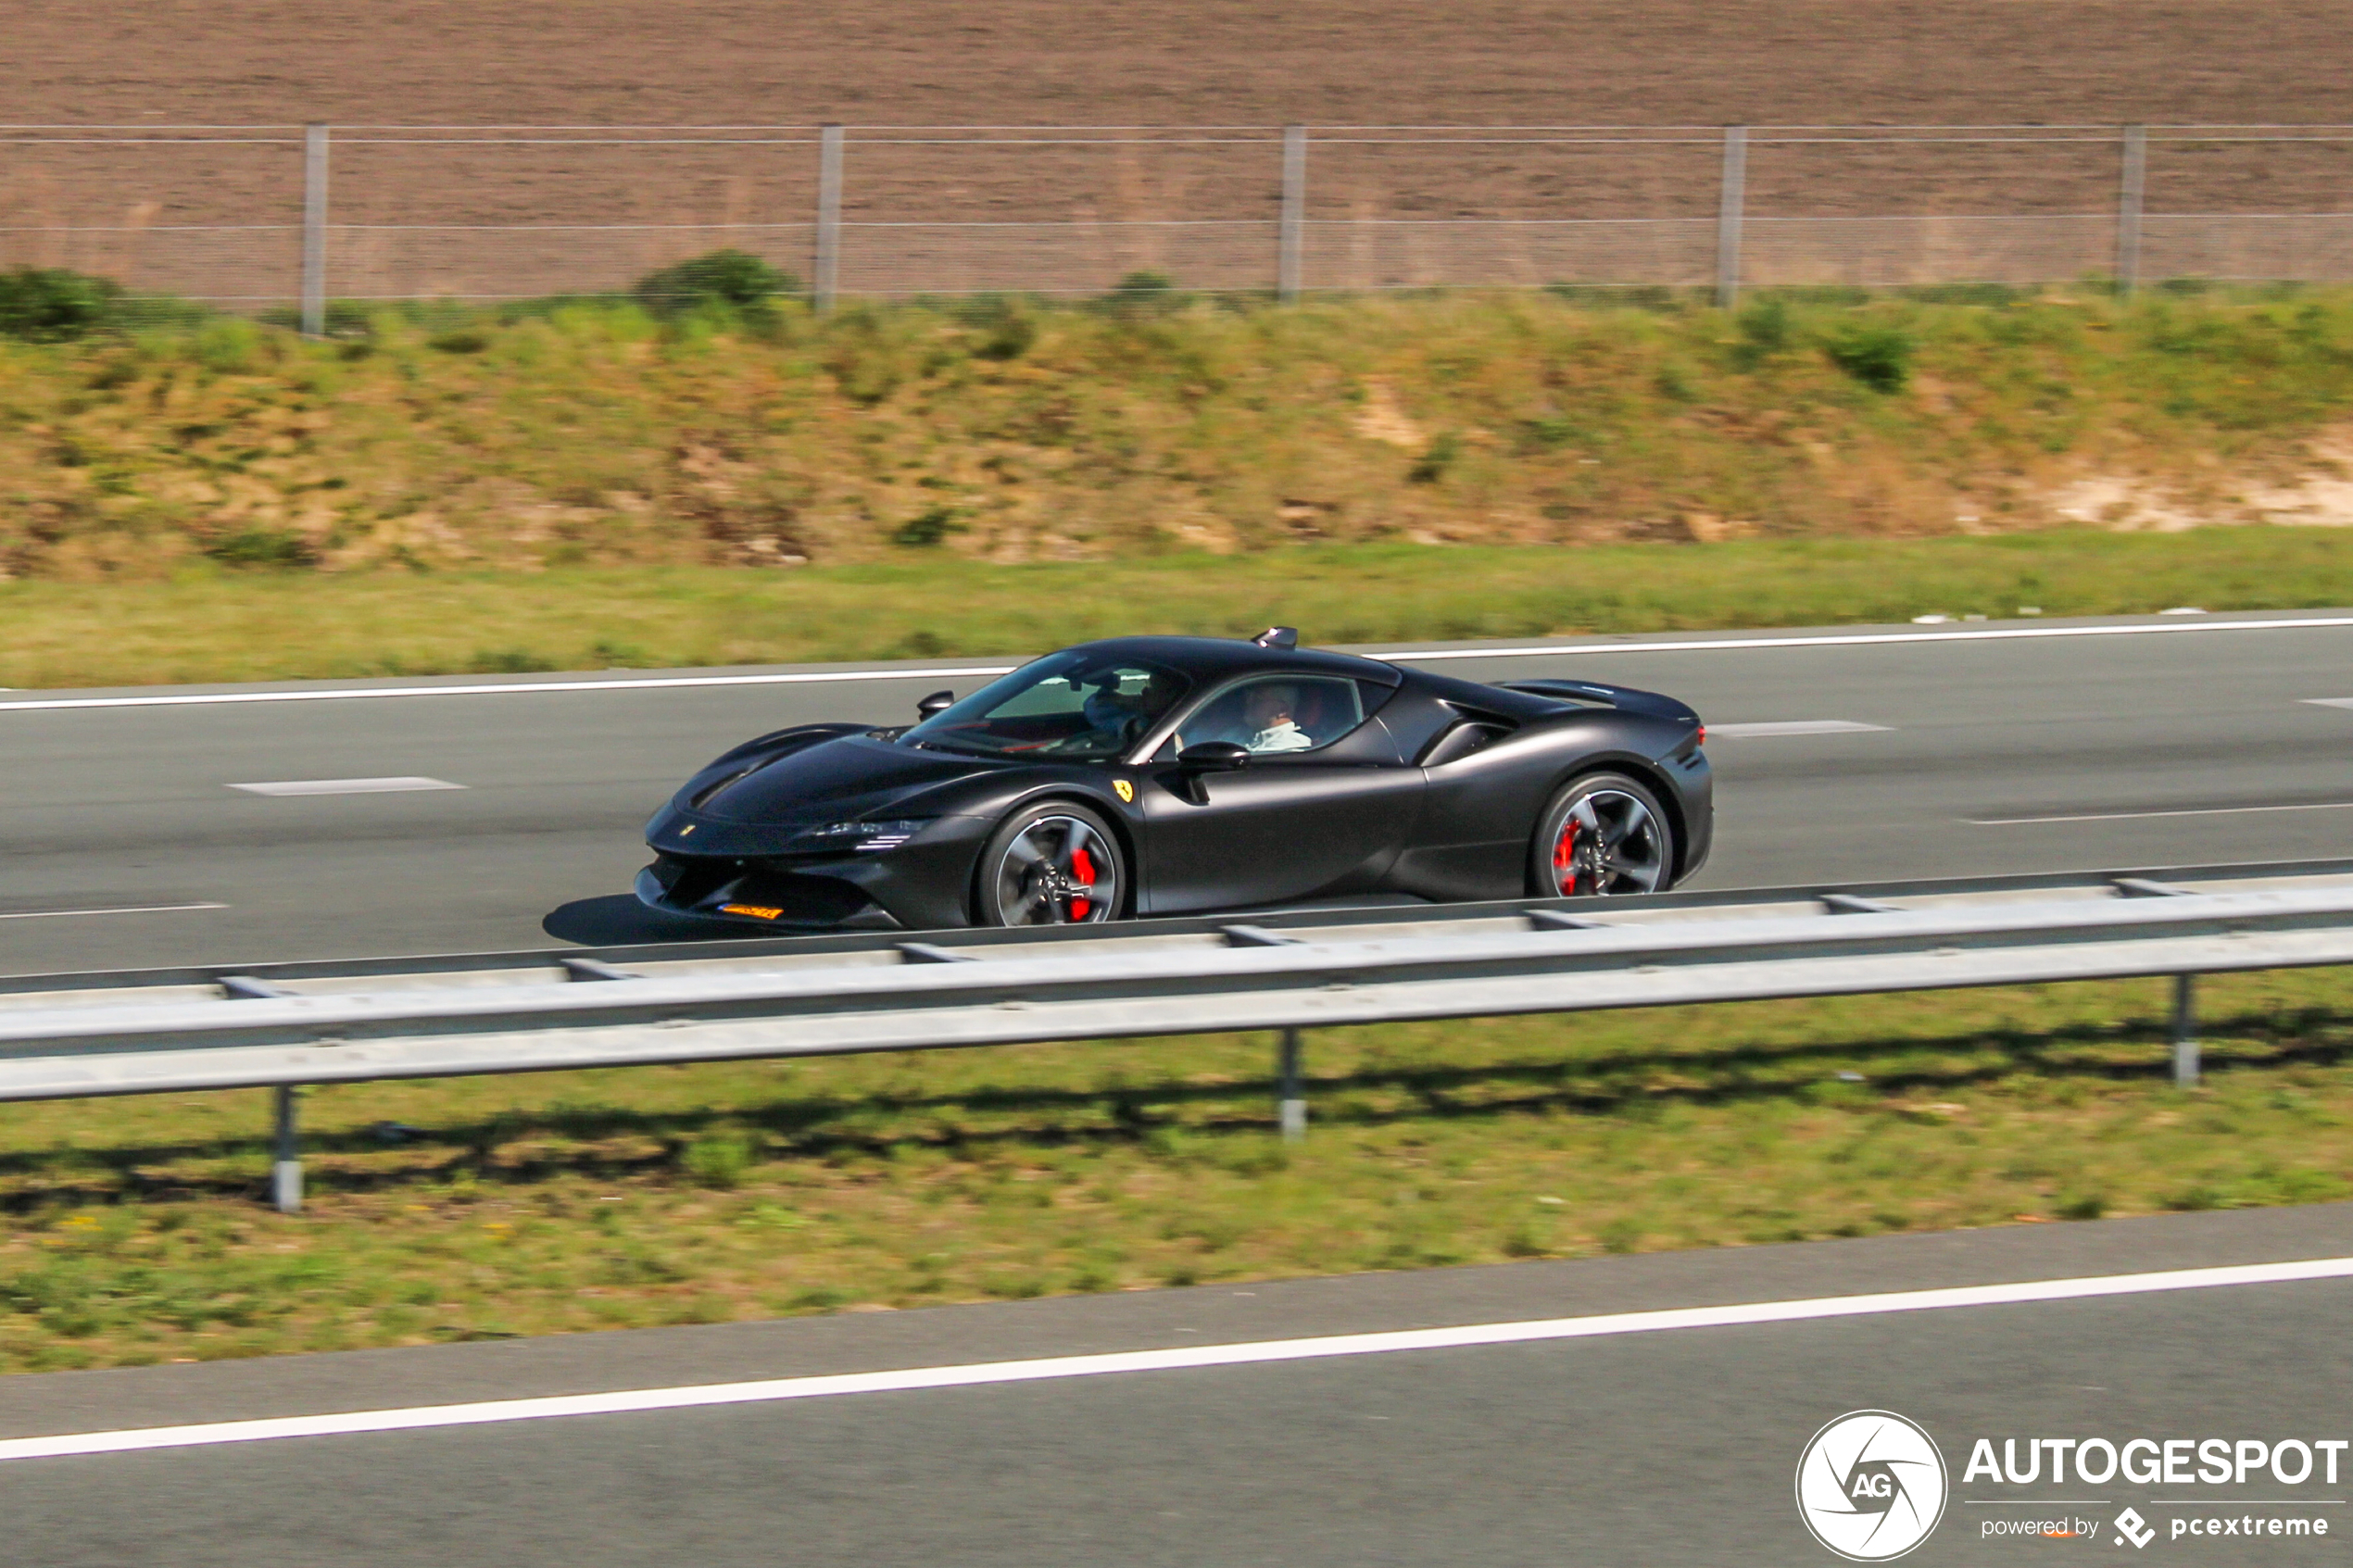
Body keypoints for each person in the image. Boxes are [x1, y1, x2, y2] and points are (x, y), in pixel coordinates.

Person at [1242, 684, 1313, 752]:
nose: (1248, 701)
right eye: (1249, 696)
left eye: (1258, 698)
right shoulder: (1243, 734)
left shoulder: (1291, 744)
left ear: (1282, 710)